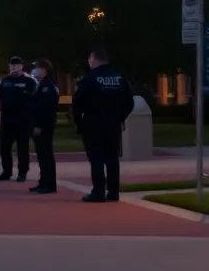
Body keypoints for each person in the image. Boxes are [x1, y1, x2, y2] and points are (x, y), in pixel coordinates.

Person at [72, 47, 134, 203]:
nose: (89, 61)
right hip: (113, 125)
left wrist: (80, 123)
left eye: (90, 59)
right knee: (112, 159)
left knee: (96, 159)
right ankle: (113, 192)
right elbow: (129, 102)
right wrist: (120, 118)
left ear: (94, 60)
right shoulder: (119, 79)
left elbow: (77, 103)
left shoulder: (89, 79)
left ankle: (98, 192)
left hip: (93, 124)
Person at [0, 56, 36, 183]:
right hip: (7, 119)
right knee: (5, 147)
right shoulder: (5, 81)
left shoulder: (29, 82)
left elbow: (35, 101)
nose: (13, 67)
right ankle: (6, 171)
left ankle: (22, 172)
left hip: (23, 120)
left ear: (21, 66)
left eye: (16, 65)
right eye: (11, 65)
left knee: (22, 148)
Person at [28, 59, 60, 195]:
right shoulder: (40, 85)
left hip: (44, 126)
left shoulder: (48, 87)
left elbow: (46, 110)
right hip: (39, 125)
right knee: (41, 155)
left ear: (44, 70)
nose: (34, 71)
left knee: (46, 155)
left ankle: (48, 184)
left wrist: (39, 125)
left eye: (37, 68)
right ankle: (43, 182)